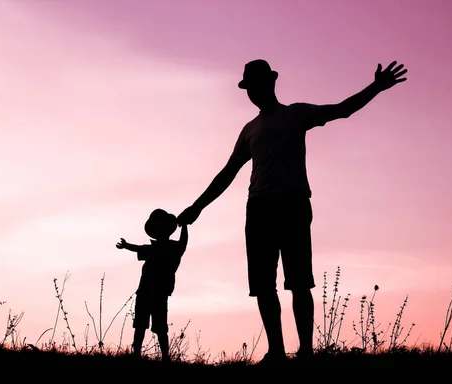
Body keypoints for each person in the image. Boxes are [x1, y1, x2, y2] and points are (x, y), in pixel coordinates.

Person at [177, 59, 408, 365]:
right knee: (263, 284)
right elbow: (228, 172)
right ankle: (276, 352)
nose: (252, 92)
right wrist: (197, 207)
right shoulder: (250, 130)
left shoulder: (295, 114)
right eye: (248, 87)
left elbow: (341, 109)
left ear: (270, 82)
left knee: (299, 281)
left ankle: (306, 353)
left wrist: (376, 87)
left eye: (256, 84)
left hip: (293, 204)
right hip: (258, 208)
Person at [116, 208, 189, 362]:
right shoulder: (160, 248)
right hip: (147, 291)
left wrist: (185, 227)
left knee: (157, 327)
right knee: (144, 326)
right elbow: (138, 248)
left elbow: (183, 243)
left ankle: (163, 357)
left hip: (157, 292)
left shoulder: (172, 248)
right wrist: (127, 245)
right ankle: (146, 356)